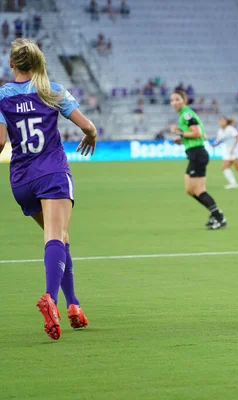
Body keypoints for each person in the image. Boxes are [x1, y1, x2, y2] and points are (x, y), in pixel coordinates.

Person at [0, 39, 97, 340]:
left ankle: (74, 306)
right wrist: (91, 134)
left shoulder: (2, 96)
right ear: (39, 62)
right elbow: (88, 126)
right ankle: (50, 300)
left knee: (61, 238)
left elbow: (0, 142)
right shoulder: (51, 90)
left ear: (12, 64)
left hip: (22, 181)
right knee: (56, 236)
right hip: (52, 173)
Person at [168, 90, 226, 230]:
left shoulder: (186, 114)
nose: (174, 102)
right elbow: (203, 136)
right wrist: (182, 140)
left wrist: (180, 132)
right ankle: (215, 212)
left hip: (197, 155)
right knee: (189, 190)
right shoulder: (185, 114)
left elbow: (198, 133)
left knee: (199, 190)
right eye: (172, 100)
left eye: (177, 99)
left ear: (184, 100)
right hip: (195, 154)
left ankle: (218, 217)